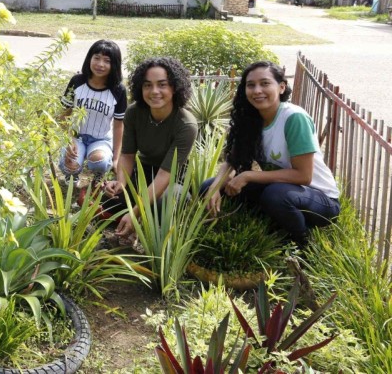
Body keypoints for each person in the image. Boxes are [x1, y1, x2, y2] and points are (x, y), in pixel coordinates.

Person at [202, 61, 340, 247]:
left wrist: (248, 175)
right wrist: (214, 188)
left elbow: (304, 176)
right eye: (251, 85)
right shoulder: (251, 118)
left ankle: (301, 244)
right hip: (282, 188)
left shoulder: (294, 118)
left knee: (275, 195)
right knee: (207, 187)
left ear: (281, 87)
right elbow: (233, 160)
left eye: (265, 83)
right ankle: (258, 222)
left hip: (320, 199)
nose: (257, 90)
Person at [103, 57, 198, 239]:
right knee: (109, 199)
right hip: (143, 172)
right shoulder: (134, 112)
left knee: (163, 203)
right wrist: (121, 183)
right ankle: (135, 215)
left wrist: (135, 212)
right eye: (147, 85)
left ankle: (145, 225)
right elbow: (127, 155)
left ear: (174, 87)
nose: (154, 91)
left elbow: (164, 175)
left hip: (172, 180)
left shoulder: (186, 125)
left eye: (162, 85)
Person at [58, 40, 127, 187]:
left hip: (101, 139)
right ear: (89, 58)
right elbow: (64, 115)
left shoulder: (118, 90)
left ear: (114, 64)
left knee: (99, 161)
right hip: (76, 136)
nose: (100, 64)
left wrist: (116, 158)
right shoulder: (77, 81)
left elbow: (118, 125)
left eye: (107, 61)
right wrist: (68, 140)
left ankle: (98, 174)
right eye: (96, 58)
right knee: (69, 163)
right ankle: (71, 175)